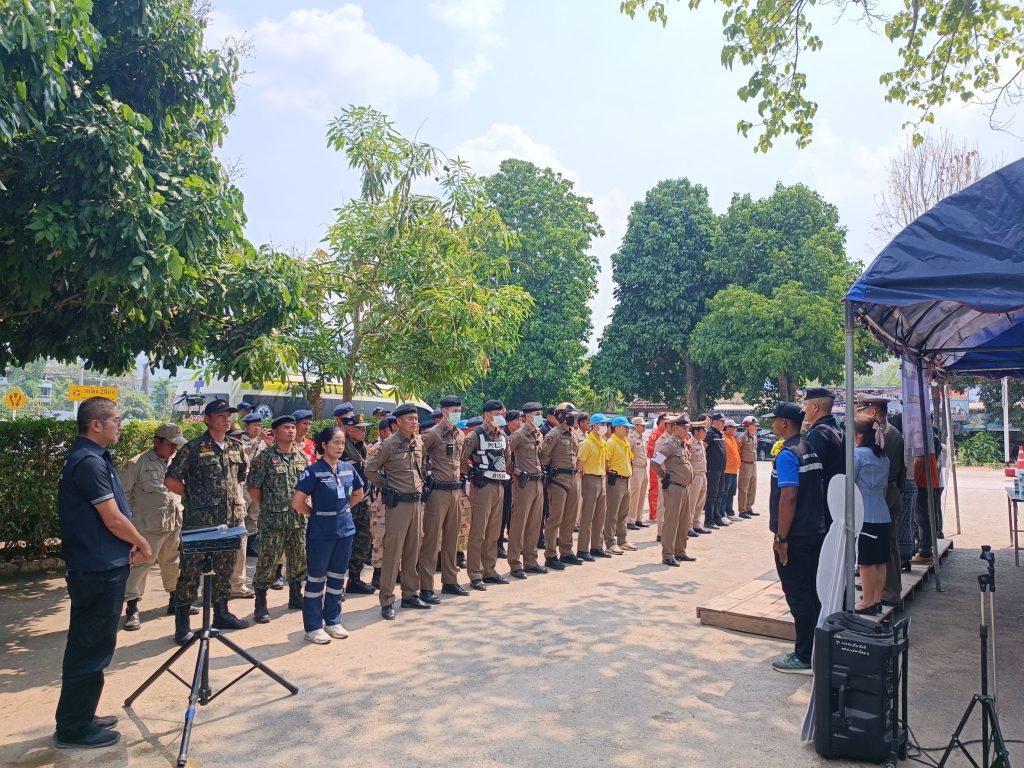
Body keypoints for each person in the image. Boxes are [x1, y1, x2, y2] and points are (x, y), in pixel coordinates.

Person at [54, 397, 152, 750]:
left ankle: (80, 715)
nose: (120, 425)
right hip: (96, 569)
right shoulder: (88, 462)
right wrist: (142, 542)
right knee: (90, 647)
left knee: (94, 645)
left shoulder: (93, 457)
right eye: (116, 419)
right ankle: (73, 729)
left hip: (102, 565)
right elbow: (112, 518)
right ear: (96, 424)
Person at [165, 399, 249, 645]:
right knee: (190, 571)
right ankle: (182, 624)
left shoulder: (236, 446)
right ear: (207, 419)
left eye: (228, 415)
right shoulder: (193, 448)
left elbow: (240, 476)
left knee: (224, 568)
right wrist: (194, 497)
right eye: (220, 415)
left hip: (229, 520)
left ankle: (221, 614)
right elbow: (171, 479)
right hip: (199, 522)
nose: (226, 419)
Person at [291, 426, 365, 643]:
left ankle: (333, 621)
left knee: (337, 578)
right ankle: (313, 626)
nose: (340, 447)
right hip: (321, 533)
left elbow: (359, 493)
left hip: (345, 531)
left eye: (342, 443)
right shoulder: (313, 471)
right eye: (336, 442)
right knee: (316, 579)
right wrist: (316, 514)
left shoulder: (348, 469)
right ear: (324, 445)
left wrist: (343, 511)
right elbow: (297, 502)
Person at [768, 402, 826, 675]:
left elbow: (788, 497)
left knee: (798, 594)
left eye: (775, 420)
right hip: (814, 530)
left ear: (784, 423)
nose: (773, 424)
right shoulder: (809, 448)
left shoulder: (788, 454)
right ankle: (815, 650)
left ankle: (804, 656)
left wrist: (782, 537)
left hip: (796, 535)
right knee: (812, 593)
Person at [120, 424, 189, 631]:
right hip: (148, 526)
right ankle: (132, 607)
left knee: (172, 561)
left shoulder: (176, 462)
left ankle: (174, 600)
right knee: (141, 564)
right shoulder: (137, 463)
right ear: (157, 441)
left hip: (173, 522)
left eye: (177, 445)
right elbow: (123, 494)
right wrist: (131, 524)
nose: (174, 449)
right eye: (170, 444)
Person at [364, 403, 430, 619]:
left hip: (417, 503)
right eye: (410, 418)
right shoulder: (389, 444)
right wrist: (387, 485)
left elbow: (422, 467)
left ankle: (410, 594)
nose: (415, 422)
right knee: (393, 552)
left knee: (413, 550)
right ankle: (387, 599)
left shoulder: (418, 441)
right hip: (398, 504)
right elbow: (370, 469)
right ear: (398, 422)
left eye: (416, 418)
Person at [247, 415, 309, 624]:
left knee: (298, 559)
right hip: (273, 520)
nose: (291, 431)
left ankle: (295, 595)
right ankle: (261, 604)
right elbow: (253, 488)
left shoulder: (302, 456)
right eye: (286, 428)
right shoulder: (264, 458)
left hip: (297, 519)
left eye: (293, 427)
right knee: (268, 561)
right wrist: (269, 506)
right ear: (274, 432)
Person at [857, 395, 907, 604]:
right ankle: (880, 589)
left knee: (880, 549)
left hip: (881, 494)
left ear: (874, 412)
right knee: (885, 545)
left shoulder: (881, 434)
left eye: (862, 411)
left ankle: (888, 591)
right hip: (890, 490)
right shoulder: (892, 432)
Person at [419, 395, 469, 600]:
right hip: (438, 491)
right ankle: (426, 587)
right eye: (454, 411)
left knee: (451, 538)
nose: (457, 414)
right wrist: (426, 476)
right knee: (431, 540)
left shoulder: (460, 435)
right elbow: (417, 456)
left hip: (455, 491)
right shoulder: (434, 434)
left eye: (459, 410)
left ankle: (450, 581)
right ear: (444, 412)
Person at [463, 399, 513, 590]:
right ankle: (475, 573)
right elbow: (461, 460)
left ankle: (489, 570)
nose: (501, 417)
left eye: (502, 413)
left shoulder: (502, 436)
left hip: (499, 485)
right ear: (487, 414)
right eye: (497, 414)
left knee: (493, 532)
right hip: (482, 487)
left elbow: (507, 459)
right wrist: (472, 473)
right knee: (478, 533)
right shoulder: (475, 436)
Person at [852, 414, 891, 614]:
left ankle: (867, 601)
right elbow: (884, 487)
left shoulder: (857, 455)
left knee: (866, 561)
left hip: (864, 513)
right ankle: (876, 599)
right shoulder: (883, 457)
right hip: (882, 512)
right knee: (880, 560)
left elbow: (850, 482)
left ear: (859, 435)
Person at [507, 402, 548, 579]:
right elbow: (504, 457)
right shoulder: (518, 435)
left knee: (535, 524)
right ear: (527, 416)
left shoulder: (538, 434)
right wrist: (516, 472)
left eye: (540, 413)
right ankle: (515, 563)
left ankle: (531, 561)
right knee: (519, 525)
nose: (539, 417)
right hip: (523, 484)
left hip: (538, 482)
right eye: (536, 414)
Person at [541, 402, 583, 569]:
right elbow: (544, 458)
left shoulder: (573, 434)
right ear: (561, 416)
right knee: (555, 519)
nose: (574, 419)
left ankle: (566, 551)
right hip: (558, 479)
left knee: (570, 518)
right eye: (570, 416)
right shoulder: (554, 434)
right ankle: (551, 555)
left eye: (575, 416)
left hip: (573, 477)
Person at [651, 414, 695, 565]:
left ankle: (680, 551)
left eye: (687, 427)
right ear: (675, 429)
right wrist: (664, 476)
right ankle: (668, 554)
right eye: (683, 428)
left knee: (683, 521)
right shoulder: (670, 444)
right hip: (674, 487)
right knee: (671, 522)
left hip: (684, 487)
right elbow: (655, 462)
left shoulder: (682, 444)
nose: (686, 430)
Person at [339, 411, 375, 595]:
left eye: (364, 428)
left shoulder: (363, 448)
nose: (363, 431)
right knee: (343, 542)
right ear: (348, 429)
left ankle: (354, 579)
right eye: (359, 428)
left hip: (363, 499)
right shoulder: (340, 448)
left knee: (363, 540)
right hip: (346, 502)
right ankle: (336, 584)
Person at [367, 415, 395, 589]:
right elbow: (370, 472)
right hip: (382, 498)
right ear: (384, 431)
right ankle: (377, 573)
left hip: (399, 498)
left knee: (396, 535)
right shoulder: (377, 448)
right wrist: (386, 484)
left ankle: (395, 571)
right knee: (380, 534)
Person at [577, 413, 609, 560]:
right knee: (587, 516)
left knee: (600, 516)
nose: (605, 427)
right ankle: (582, 549)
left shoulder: (602, 442)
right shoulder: (587, 443)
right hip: (589, 478)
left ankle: (597, 546)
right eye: (602, 424)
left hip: (601, 478)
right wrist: (583, 482)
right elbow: (579, 465)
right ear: (595, 426)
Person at [910, 430, 944, 566]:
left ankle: (924, 551)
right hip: (928, 481)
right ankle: (924, 548)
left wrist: (912, 479)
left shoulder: (922, 436)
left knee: (922, 518)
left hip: (922, 482)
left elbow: (919, 461)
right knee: (925, 517)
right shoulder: (931, 436)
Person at [605, 416, 638, 553]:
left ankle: (622, 540)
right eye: (625, 427)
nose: (628, 430)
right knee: (612, 513)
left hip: (626, 480)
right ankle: (610, 542)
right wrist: (610, 476)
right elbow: (605, 462)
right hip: (616, 480)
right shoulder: (611, 443)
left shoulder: (624, 442)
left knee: (623, 513)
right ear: (617, 428)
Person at [239, 413, 265, 557]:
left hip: (257, 483)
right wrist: (257, 441)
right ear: (246, 426)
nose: (257, 428)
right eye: (254, 425)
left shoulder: (262, 441)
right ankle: (240, 542)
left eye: (259, 425)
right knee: (242, 512)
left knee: (254, 514)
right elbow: (245, 457)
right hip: (244, 483)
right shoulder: (239, 440)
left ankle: (252, 542)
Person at [703, 413, 728, 528]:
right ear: (715, 422)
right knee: (712, 494)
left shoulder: (720, 434)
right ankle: (709, 520)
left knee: (720, 493)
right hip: (712, 469)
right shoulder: (710, 434)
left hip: (721, 469)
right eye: (721, 421)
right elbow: (703, 447)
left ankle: (717, 516)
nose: (723, 424)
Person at [688, 420, 711, 535]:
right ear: (696, 431)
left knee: (700, 502)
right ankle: (688, 526)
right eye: (703, 430)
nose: (705, 433)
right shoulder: (690, 443)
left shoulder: (700, 442)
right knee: (691, 503)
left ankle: (696, 524)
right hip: (694, 476)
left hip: (702, 474)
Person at [626, 417, 650, 529]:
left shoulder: (642, 437)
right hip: (635, 468)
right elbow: (627, 455)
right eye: (642, 425)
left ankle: (638, 518)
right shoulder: (631, 438)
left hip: (643, 467)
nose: (644, 427)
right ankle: (630, 520)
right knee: (635, 495)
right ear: (635, 426)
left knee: (641, 494)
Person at [718, 419, 742, 521]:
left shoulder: (733, 438)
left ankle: (730, 512)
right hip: (726, 470)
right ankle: (722, 513)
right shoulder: (722, 437)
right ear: (727, 427)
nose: (736, 429)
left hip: (734, 471)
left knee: (731, 492)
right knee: (724, 493)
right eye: (734, 427)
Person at [736, 416, 760, 518]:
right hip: (745, 464)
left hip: (753, 464)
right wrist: (739, 464)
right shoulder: (742, 437)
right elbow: (737, 451)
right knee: (743, 488)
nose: (756, 427)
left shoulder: (754, 436)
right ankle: (742, 510)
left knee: (752, 488)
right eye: (754, 425)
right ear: (748, 425)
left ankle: (748, 507)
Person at [646, 414, 667, 525]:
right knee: (655, 490)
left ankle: (659, 515)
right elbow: (650, 452)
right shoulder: (656, 434)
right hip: (656, 466)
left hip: (664, 466)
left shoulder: (667, 434)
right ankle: (653, 515)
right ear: (661, 421)